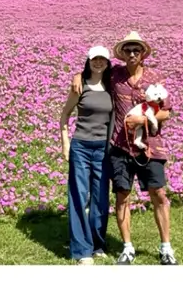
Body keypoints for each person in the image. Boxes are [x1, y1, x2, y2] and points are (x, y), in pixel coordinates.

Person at [107, 31, 176, 265]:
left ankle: (166, 247)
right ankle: (127, 248)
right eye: (128, 50)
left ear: (143, 53)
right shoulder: (114, 75)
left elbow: (166, 112)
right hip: (120, 147)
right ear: (122, 54)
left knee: (158, 194)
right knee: (122, 196)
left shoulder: (155, 77)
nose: (132, 53)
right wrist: (78, 78)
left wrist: (144, 121)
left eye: (136, 50)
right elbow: (91, 75)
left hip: (151, 146)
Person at [60, 45, 115, 264]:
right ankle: (82, 250)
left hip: (103, 148)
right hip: (81, 146)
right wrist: (65, 144)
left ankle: (97, 243)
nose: (98, 62)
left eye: (102, 59)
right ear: (88, 61)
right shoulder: (79, 85)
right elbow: (64, 115)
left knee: (101, 197)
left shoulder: (112, 86)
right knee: (79, 195)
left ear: (108, 63)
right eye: (95, 59)